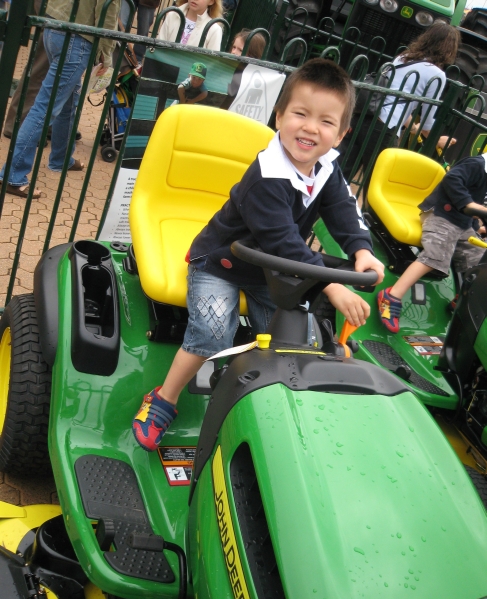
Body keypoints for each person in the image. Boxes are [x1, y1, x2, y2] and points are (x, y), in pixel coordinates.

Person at [131, 57, 385, 452]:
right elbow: (283, 240)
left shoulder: (326, 169)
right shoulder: (266, 175)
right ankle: (165, 397)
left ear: (340, 134)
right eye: (300, 114)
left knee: (294, 340)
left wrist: (361, 249)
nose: (310, 127)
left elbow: (342, 209)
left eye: (325, 121)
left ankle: (271, 406)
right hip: (222, 263)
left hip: (271, 271)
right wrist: (332, 285)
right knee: (213, 331)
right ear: (279, 115)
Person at [0, 0, 120, 199]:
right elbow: (107, 11)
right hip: (77, 37)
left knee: (68, 101)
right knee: (46, 108)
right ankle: (12, 176)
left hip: (56, 26)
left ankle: (61, 158)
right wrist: (106, 55)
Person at [339, 21, 460, 192]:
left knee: (339, 176)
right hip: (383, 129)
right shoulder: (437, 75)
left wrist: (413, 127)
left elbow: (396, 97)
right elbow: (427, 120)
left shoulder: (403, 58)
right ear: (448, 49)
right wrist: (437, 139)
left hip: (362, 117)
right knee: (378, 186)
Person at [377, 153, 487, 333]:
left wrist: (479, 226)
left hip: (463, 223)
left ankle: (462, 298)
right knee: (436, 254)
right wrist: (468, 205)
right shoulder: (477, 165)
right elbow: (452, 179)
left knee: (481, 261)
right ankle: (391, 295)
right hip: (441, 215)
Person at [220, 28, 266, 110]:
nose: (234, 52)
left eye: (240, 50)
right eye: (234, 47)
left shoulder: (253, 75)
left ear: (253, 54)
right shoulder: (225, 67)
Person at [158, 0, 223, 50]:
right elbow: (158, 46)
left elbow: (211, 61)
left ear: (211, 1)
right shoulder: (172, 15)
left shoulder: (214, 29)